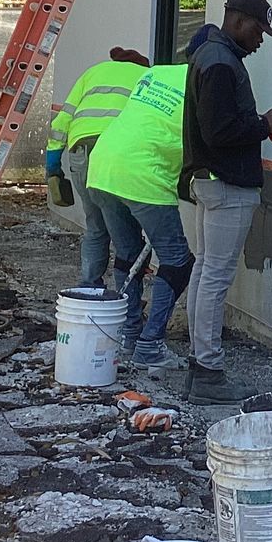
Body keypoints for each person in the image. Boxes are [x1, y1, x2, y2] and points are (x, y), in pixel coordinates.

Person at [178, 0, 272, 404]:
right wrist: (266, 124)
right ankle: (207, 371)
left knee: (205, 271)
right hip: (226, 183)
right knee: (215, 277)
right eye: (259, 30)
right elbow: (221, 132)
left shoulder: (208, 55)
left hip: (210, 181)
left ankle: (199, 366)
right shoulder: (222, 64)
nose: (260, 39)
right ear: (238, 21)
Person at [86, 63, 192, 372]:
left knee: (128, 254)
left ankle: (130, 333)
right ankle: (150, 345)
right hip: (143, 175)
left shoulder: (156, 73)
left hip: (103, 166)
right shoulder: (207, 85)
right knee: (178, 261)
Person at [44, 47, 150, 290]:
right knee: (126, 233)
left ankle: (89, 290)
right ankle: (127, 303)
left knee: (96, 226)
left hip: (80, 152)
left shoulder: (93, 73)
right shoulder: (146, 77)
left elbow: (62, 121)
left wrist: (53, 167)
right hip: (115, 156)